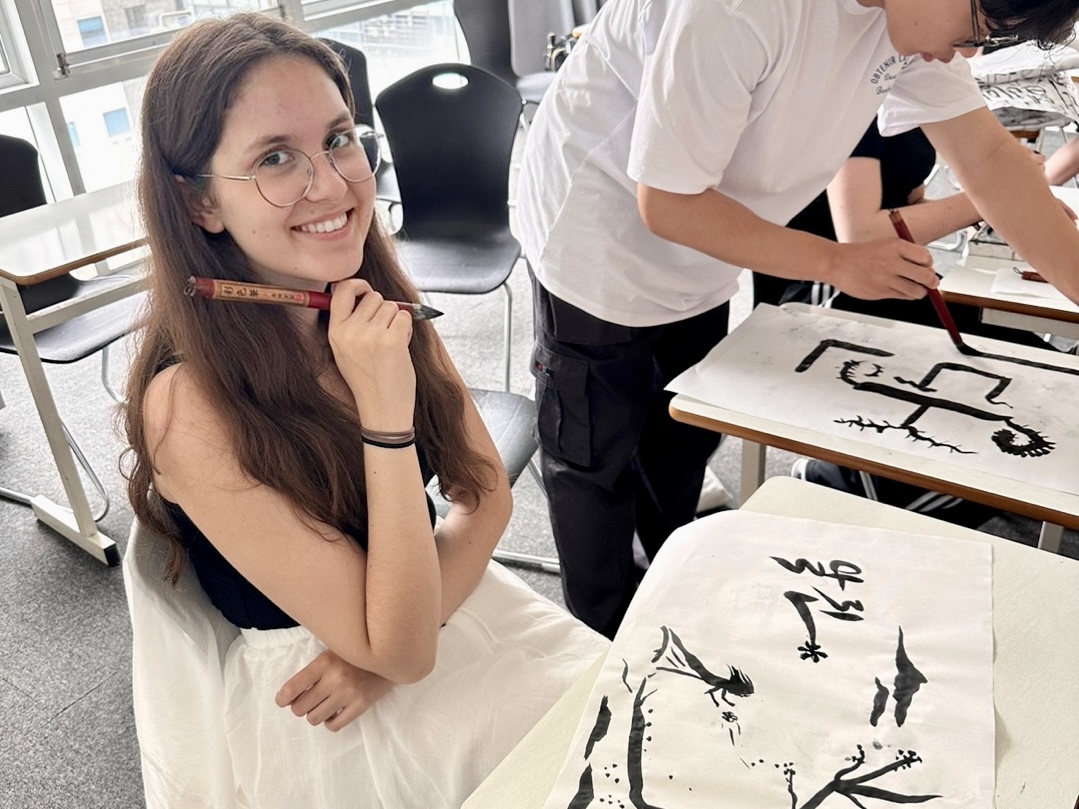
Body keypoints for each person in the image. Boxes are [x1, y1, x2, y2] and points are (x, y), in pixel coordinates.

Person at [120, 14, 608, 808]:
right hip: (317, 697)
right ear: (201, 203)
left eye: (340, 138)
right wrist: (384, 412)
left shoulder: (370, 295)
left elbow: (486, 495)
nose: (333, 183)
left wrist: (386, 648)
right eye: (275, 158)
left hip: (418, 612)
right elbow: (402, 644)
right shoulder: (186, 406)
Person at [517, 0, 1079, 638]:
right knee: (595, 452)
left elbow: (989, 159)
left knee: (678, 437)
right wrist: (838, 263)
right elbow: (669, 203)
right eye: (979, 31)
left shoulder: (915, 20)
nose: (967, 53)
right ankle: (604, 636)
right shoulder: (740, 10)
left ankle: (669, 588)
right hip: (598, 237)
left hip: (713, 239)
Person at [753, 117, 1060, 526]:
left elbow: (905, 209)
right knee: (1016, 416)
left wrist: (1005, 213)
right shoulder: (860, 101)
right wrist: (989, 197)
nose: (965, 58)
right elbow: (859, 235)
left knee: (1042, 378)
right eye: (966, 47)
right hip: (823, 287)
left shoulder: (922, 87)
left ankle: (866, 484)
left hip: (891, 278)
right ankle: (843, 483)